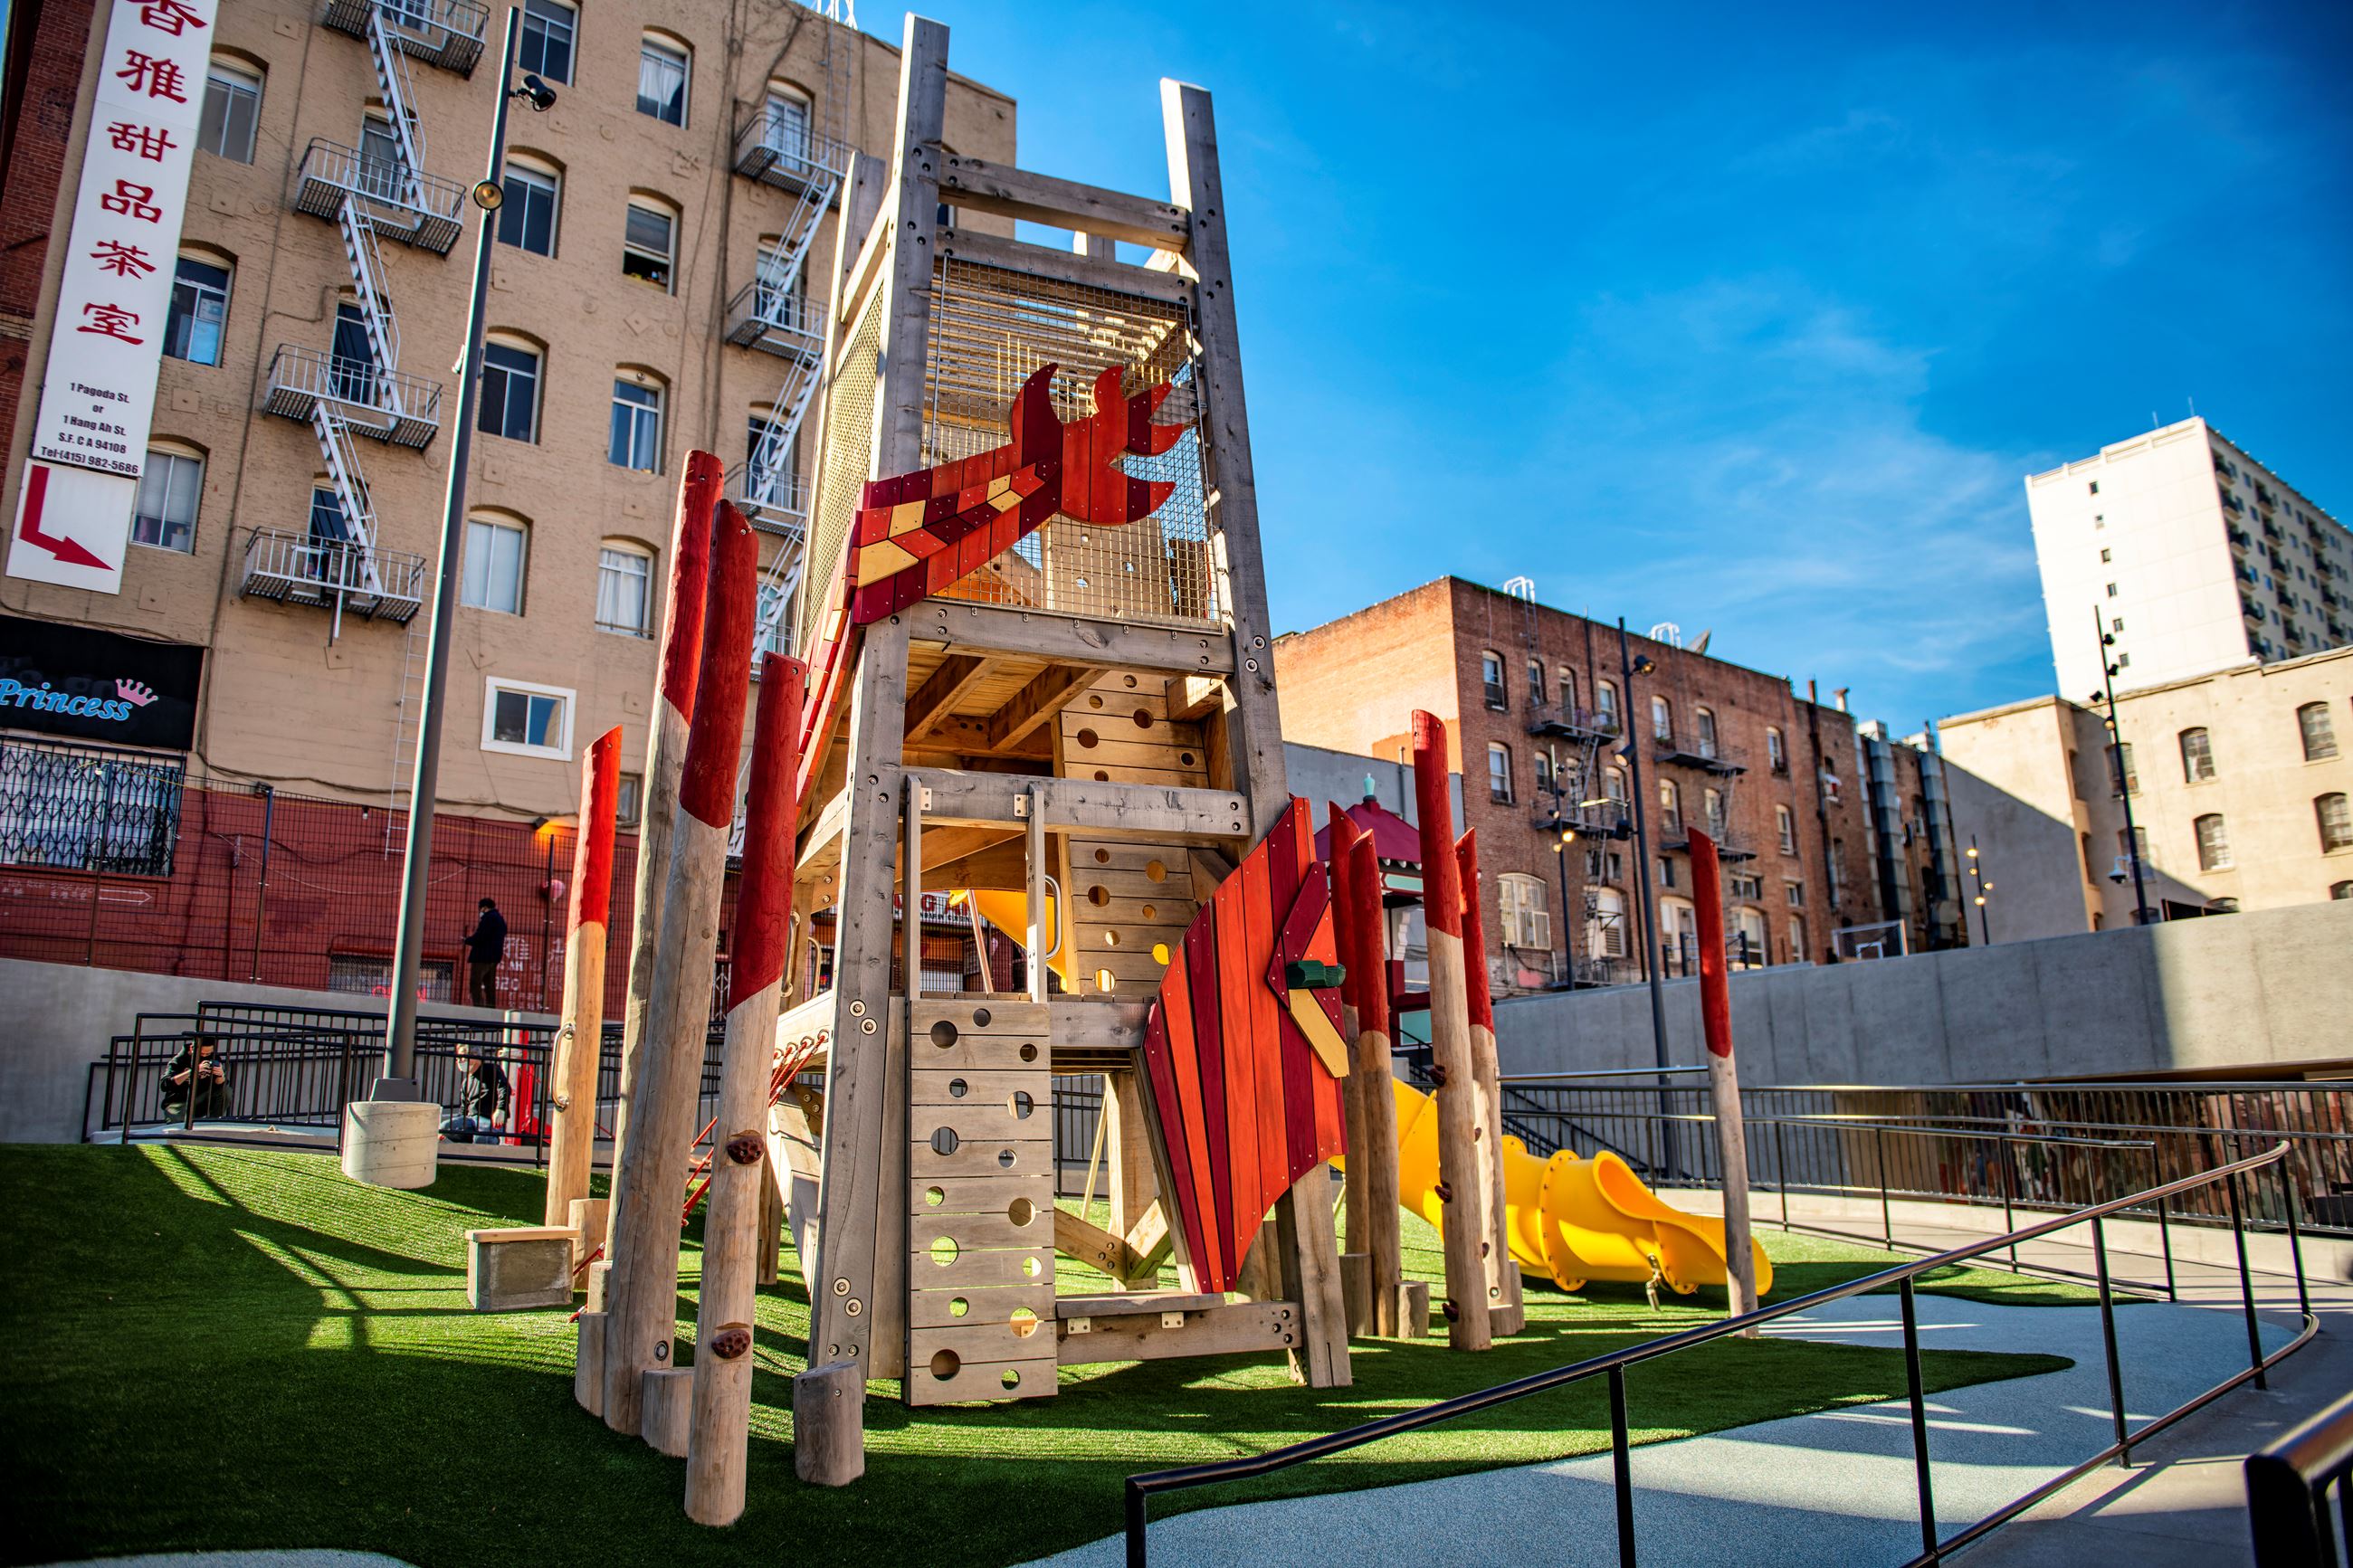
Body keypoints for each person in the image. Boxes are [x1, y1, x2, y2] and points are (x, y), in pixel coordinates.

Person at [442, 1046, 510, 1144]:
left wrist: (501, 1109)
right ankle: (471, 1142)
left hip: (487, 1118)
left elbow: (504, 1088)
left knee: (481, 1138)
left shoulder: (491, 1069)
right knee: (445, 1126)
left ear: (474, 1056)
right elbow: (464, 1108)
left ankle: (490, 1141)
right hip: (470, 1119)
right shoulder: (466, 1082)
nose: (458, 1061)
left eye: (461, 1057)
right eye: (457, 1059)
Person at [158, 1037, 229, 1123]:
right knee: (177, 1126)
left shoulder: (213, 1058)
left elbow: (219, 1086)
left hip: (201, 1100)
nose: (205, 1056)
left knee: (226, 1091)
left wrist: (221, 1075)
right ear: (192, 1048)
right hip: (179, 1102)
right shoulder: (180, 1060)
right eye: (202, 1054)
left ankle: (215, 1122)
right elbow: (165, 1084)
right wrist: (193, 1071)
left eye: (208, 1054)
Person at [461, 897, 508, 1007]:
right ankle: (491, 1006)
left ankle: (478, 1006)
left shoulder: (488, 919)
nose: (479, 911)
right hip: (494, 956)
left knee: (475, 982)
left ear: (484, 908)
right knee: (489, 984)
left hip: (482, 956)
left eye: (480, 909)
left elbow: (481, 936)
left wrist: (467, 940)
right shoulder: (500, 919)